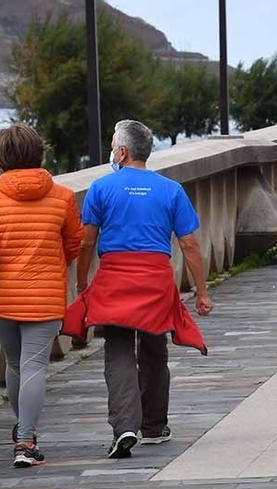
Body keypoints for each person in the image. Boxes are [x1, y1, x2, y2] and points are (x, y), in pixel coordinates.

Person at [64, 119, 211, 459]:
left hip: (115, 277)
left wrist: (82, 280)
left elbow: (87, 242)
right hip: (156, 278)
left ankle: (124, 426)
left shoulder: (101, 188)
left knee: (117, 346)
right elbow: (189, 244)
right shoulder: (171, 190)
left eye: (114, 145)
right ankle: (154, 425)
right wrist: (201, 292)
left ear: (123, 152)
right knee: (154, 347)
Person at [0, 124, 82, 468]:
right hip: (46, 296)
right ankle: (26, 441)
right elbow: (74, 243)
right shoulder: (62, 197)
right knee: (34, 366)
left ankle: (23, 432)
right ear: (39, 153)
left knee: (15, 364)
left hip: (3, 297)